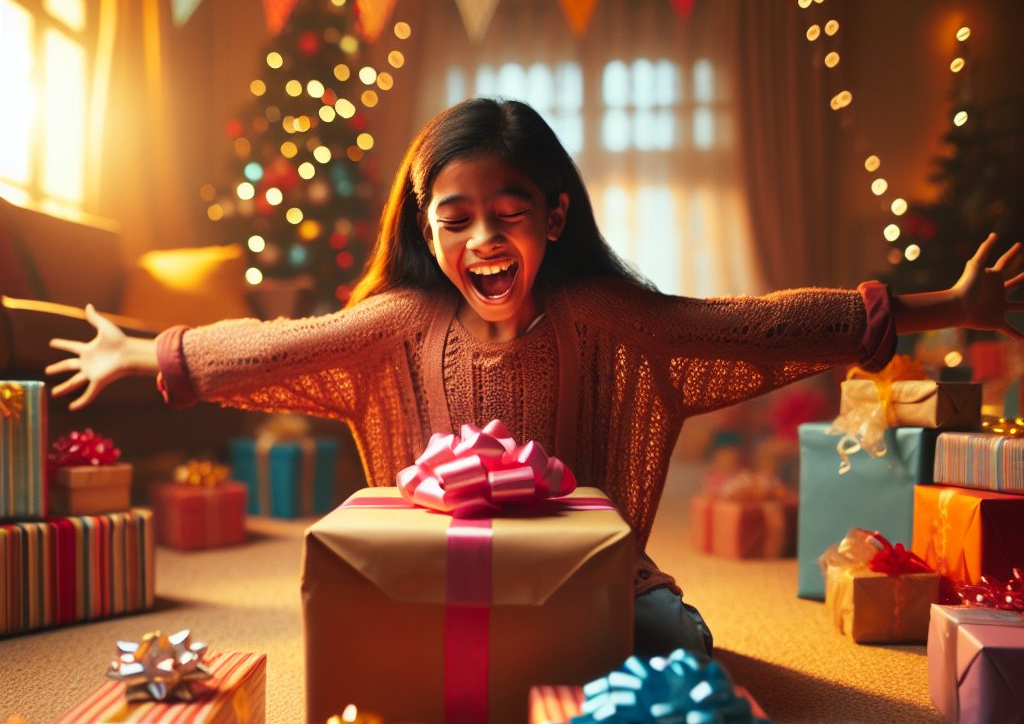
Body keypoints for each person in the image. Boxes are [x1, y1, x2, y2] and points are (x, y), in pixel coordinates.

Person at [47, 98, 1024, 658]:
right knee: (373, 652)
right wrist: (151, 353)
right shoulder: (399, 322)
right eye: (454, 215)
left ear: (555, 216)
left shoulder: (607, 316)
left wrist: (942, 306)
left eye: (506, 210)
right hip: (439, 578)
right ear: (425, 227)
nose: (481, 238)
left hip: (592, 576)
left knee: (679, 654)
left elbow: (763, 325)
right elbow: (276, 347)